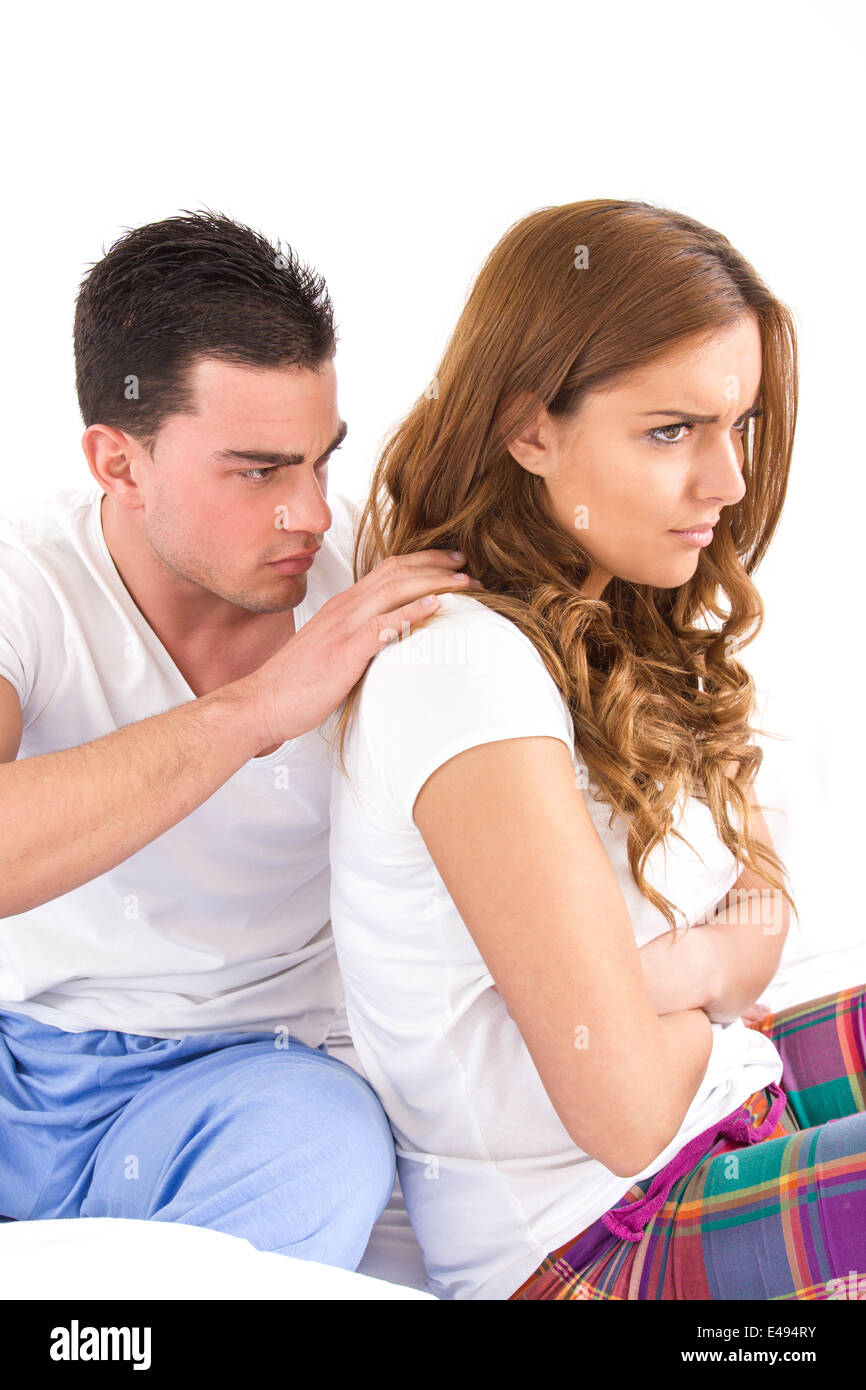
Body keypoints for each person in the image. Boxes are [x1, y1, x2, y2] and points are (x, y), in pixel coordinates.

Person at [326, 198, 866, 1300]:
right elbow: (618, 1109)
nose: (721, 482)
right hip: (590, 1241)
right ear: (529, 431)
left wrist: (678, 973)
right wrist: (688, 990)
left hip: (721, 1109)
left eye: (739, 426)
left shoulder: (629, 612)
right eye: (669, 431)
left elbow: (761, 912)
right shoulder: (462, 669)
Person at [0, 210, 482, 1267]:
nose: (308, 512)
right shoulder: (25, 580)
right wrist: (259, 707)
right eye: (258, 471)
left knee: (320, 1157)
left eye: (320, 460)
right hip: (18, 1065)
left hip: (253, 1073)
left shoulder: (380, 579)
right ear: (117, 462)